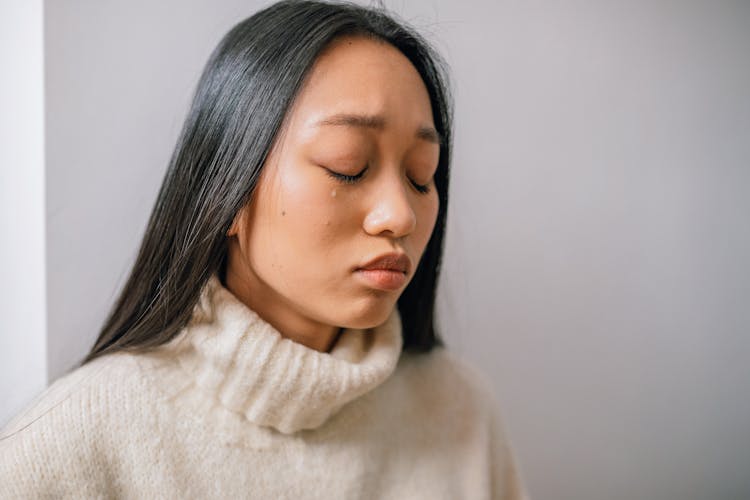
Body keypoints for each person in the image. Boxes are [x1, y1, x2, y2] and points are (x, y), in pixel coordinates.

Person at [0, 1, 529, 498]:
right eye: (348, 165)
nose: (401, 215)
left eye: (421, 176)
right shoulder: (78, 438)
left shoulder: (459, 410)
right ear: (227, 189)